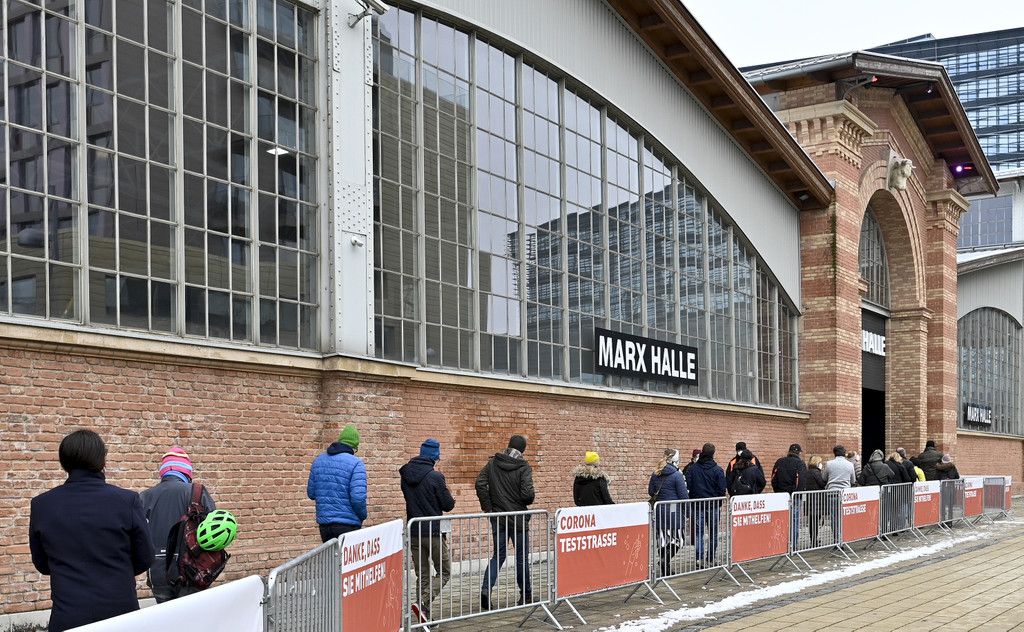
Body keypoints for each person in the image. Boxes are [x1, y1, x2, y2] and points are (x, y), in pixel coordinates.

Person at [29, 430, 155, 632]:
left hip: (68, 615)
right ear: (102, 460)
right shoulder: (127, 501)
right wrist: (116, 571)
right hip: (121, 614)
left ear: (64, 463)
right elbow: (146, 557)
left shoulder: (42, 505)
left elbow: (42, 564)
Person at [140, 446, 216, 603]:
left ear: (163, 471)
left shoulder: (145, 497)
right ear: (187, 471)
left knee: (166, 616)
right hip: (191, 570)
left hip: (158, 572)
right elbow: (214, 529)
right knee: (190, 615)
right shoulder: (197, 491)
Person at [476, 435, 536, 610]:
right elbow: (527, 495)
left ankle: (486, 589)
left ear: (509, 446)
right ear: (522, 449)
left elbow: (480, 484)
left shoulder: (493, 463)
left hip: (499, 517)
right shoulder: (523, 467)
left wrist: (489, 508)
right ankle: (526, 595)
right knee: (521, 558)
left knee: (498, 556)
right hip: (518, 519)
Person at [400, 438, 456, 621]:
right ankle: (422, 604)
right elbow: (448, 505)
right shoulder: (436, 477)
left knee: (422, 575)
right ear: (434, 457)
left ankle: (424, 618)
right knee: (445, 572)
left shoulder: (406, 474)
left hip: (414, 530)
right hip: (433, 532)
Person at [307, 425, 368, 542]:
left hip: (325, 524)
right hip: (349, 524)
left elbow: (311, 493)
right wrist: (363, 515)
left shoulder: (318, 460)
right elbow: (358, 498)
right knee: (346, 555)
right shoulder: (356, 464)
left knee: (330, 554)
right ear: (354, 447)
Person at [685, 443, 727, 565]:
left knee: (699, 533)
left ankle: (699, 558)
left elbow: (688, 486)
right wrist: (718, 502)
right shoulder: (718, 470)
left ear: (702, 452)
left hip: (698, 505)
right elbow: (722, 489)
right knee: (713, 533)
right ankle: (711, 558)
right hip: (713, 506)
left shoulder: (692, 469)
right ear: (713, 454)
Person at [649, 449, 688, 577]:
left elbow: (651, 491)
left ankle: (665, 568)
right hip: (673, 512)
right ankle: (665, 561)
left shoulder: (656, 473)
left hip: (659, 511)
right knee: (679, 540)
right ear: (675, 461)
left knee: (662, 540)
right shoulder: (677, 475)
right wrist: (688, 512)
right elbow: (683, 496)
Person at [771, 443, 807, 549]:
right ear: (799, 453)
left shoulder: (779, 461)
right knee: (794, 520)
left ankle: (781, 543)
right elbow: (801, 481)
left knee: (781, 520)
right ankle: (792, 545)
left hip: (781, 496)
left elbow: (773, 478)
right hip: (794, 496)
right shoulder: (800, 464)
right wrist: (797, 494)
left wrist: (777, 491)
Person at [823, 445, 856, 541]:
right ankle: (844, 537)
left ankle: (836, 539)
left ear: (834, 453)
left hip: (832, 493)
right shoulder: (850, 464)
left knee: (834, 517)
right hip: (845, 494)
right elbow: (853, 480)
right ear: (844, 453)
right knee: (844, 517)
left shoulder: (829, 464)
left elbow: (824, 478)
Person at [805, 456, 827, 548]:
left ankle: (813, 539)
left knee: (811, 521)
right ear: (817, 463)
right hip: (816, 500)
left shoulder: (807, 471)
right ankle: (814, 541)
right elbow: (822, 483)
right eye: (820, 462)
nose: (821, 464)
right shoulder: (816, 472)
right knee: (816, 521)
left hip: (810, 500)